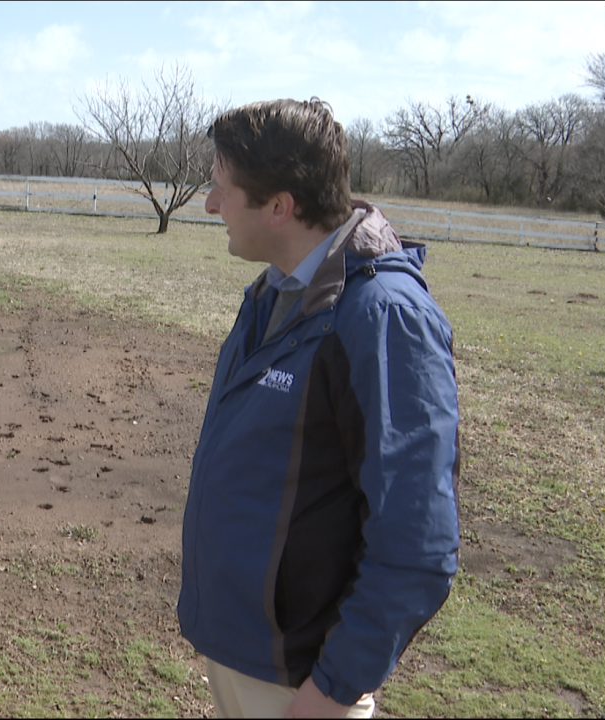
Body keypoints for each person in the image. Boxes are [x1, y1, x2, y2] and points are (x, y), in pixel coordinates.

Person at [177, 99, 460, 719]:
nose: (209, 205)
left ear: (279, 207)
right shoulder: (277, 290)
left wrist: (333, 689)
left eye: (223, 189)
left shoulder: (382, 317)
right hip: (250, 660)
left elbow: (418, 542)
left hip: (302, 686)